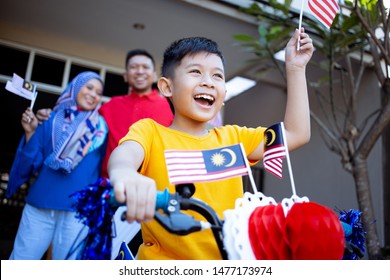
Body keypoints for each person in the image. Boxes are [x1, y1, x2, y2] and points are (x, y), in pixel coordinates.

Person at [108, 29, 314, 259]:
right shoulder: (150, 132)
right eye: (195, 72)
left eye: (217, 76)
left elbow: (296, 133)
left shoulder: (235, 138)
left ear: (224, 92)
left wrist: (295, 70)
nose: (208, 82)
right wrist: (125, 174)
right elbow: (124, 155)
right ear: (167, 87)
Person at [6, 71, 108, 259]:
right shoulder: (52, 120)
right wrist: (30, 133)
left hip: (77, 212)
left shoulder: (102, 129)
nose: (94, 94)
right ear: (76, 87)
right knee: (21, 262)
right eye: (89, 87)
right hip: (40, 206)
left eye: (99, 92)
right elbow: (31, 162)